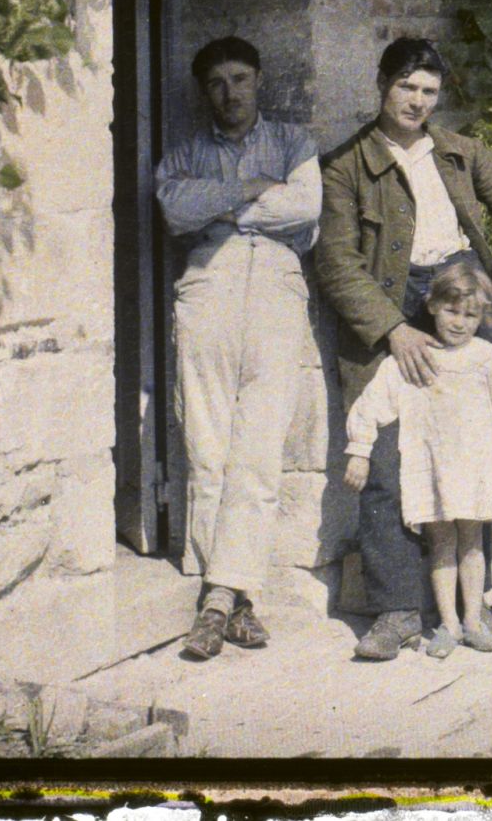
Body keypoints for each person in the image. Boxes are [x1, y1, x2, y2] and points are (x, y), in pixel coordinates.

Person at [317, 36, 492, 662]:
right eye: (406, 88)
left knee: (475, 455)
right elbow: (337, 261)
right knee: (389, 461)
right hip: (390, 307)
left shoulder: (458, 153)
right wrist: (392, 329)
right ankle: (397, 610)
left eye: (428, 92)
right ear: (382, 85)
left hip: (459, 299)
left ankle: (473, 608)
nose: (417, 102)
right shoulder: (346, 165)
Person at [154, 36, 322, 661]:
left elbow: (305, 207)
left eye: (241, 79)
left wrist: (224, 207)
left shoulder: (292, 144)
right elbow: (175, 208)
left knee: (257, 445)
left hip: (276, 290)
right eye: (218, 82)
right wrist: (253, 189)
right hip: (208, 289)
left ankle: (218, 600)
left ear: (259, 81)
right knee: (207, 441)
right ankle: (230, 596)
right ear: (206, 92)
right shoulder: (187, 151)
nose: (231, 93)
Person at [342, 261, 492, 658]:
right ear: (431, 306)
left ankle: (474, 620)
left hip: (475, 466)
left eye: (471, 315)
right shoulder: (413, 358)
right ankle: (449, 625)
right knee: (442, 544)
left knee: (472, 543)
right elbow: (372, 405)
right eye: (451, 311)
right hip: (433, 469)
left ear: (482, 318)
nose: (459, 323)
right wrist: (359, 451)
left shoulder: (488, 359)